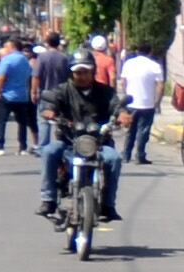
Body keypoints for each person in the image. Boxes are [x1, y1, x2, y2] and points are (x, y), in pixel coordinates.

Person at [41, 43, 124, 225]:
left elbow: (117, 106)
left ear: (92, 71)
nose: (82, 76)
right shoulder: (63, 90)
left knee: (114, 159)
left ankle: (108, 205)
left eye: (86, 71)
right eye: (78, 72)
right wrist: (50, 112)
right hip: (68, 141)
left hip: (99, 142)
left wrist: (122, 115)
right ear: (72, 73)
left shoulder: (105, 92)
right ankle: (48, 199)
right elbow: (50, 103)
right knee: (48, 151)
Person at [119, 40, 166, 162]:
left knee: (130, 130)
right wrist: (157, 102)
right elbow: (161, 86)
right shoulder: (155, 66)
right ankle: (140, 155)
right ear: (150, 52)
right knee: (143, 131)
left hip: (131, 103)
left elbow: (123, 82)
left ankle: (126, 155)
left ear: (137, 51)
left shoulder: (128, 64)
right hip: (147, 103)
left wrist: (127, 95)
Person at [0, 37, 36, 153]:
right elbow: (29, 75)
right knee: (22, 123)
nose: (5, 49)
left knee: (1, 122)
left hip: (7, 95)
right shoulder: (25, 60)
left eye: (6, 47)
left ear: (12, 47)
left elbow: (1, 77)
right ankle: (22, 146)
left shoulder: (7, 60)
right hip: (22, 95)